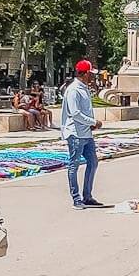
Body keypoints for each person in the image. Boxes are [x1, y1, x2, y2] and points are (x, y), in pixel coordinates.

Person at [61, 59, 106, 210]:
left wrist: (89, 125)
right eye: (90, 74)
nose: (92, 77)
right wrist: (93, 122)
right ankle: (76, 198)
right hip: (75, 133)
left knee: (93, 162)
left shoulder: (84, 88)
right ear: (85, 73)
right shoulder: (73, 90)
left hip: (86, 133)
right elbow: (75, 114)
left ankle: (88, 195)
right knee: (74, 165)